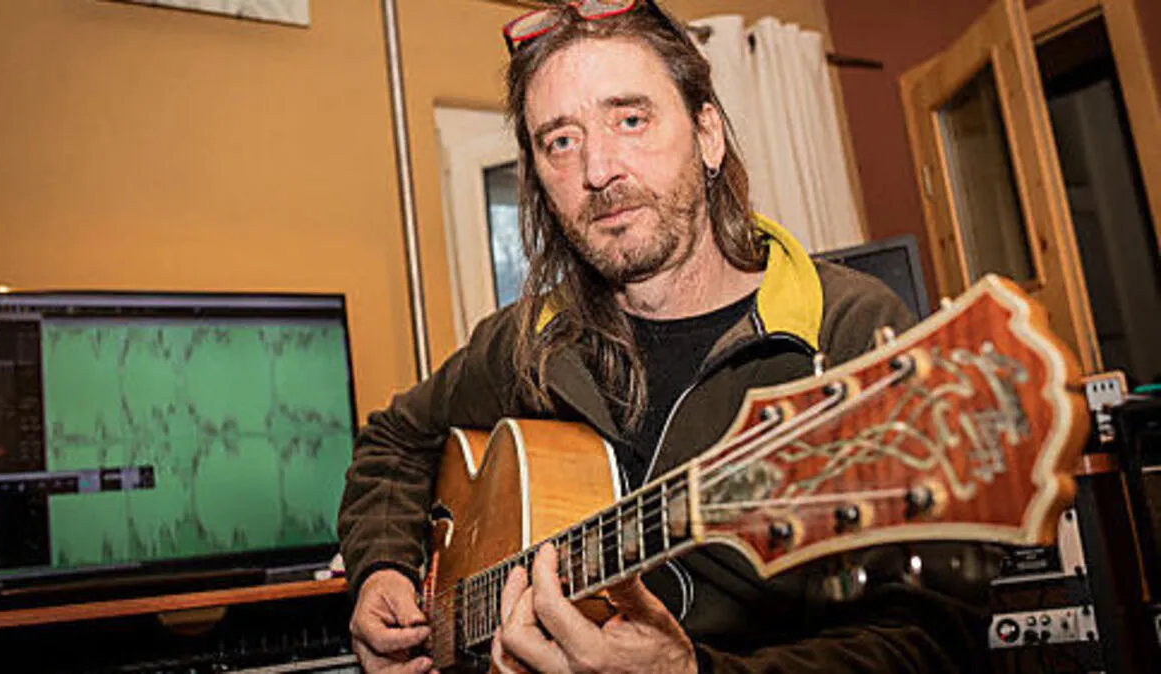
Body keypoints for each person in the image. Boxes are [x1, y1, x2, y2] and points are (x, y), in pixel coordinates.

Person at [338, 1, 996, 672]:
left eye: (630, 119)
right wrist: (382, 568)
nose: (598, 169)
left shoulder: (846, 332)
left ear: (707, 134)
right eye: (560, 141)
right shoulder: (531, 340)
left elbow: (934, 644)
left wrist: (691, 672)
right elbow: (393, 440)